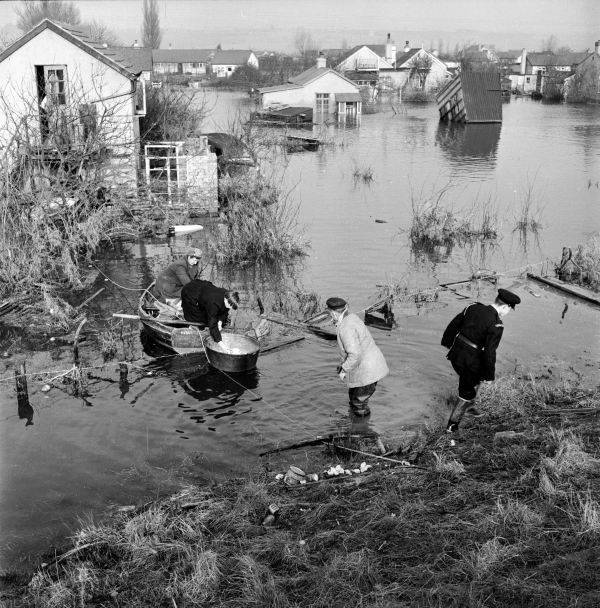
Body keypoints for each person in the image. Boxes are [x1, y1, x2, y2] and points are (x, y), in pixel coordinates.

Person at [441, 288, 521, 433]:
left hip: (455, 354)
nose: (507, 313)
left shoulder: (473, 307)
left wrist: (447, 344)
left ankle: (470, 407)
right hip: (469, 362)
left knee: (473, 380)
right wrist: (489, 376)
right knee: (466, 392)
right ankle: (451, 429)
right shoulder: (497, 325)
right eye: (509, 309)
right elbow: (490, 352)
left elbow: (454, 325)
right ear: (505, 307)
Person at [326, 297, 389, 417]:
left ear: (334, 313)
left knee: (359, 404)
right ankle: (357, 426)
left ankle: (361, 430)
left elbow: (354, 354)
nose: (330, 318)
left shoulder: (345, 328)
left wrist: (344, 368)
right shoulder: (352, 317)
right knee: (355, 398)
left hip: (367, 370)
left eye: (330, 314)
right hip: (371, 365)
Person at [181, 279, 240, 344]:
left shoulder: (228, 295)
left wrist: (220, 321)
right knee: (196, 317)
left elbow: (225, 311)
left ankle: (202, 327)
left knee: (210, 316)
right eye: (230, 306)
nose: (230, 308)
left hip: (203, 289)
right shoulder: (213, 303)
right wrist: (219, 341)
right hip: (190, 292)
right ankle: (192, 329)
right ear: (226, 300)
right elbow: (212, 324)